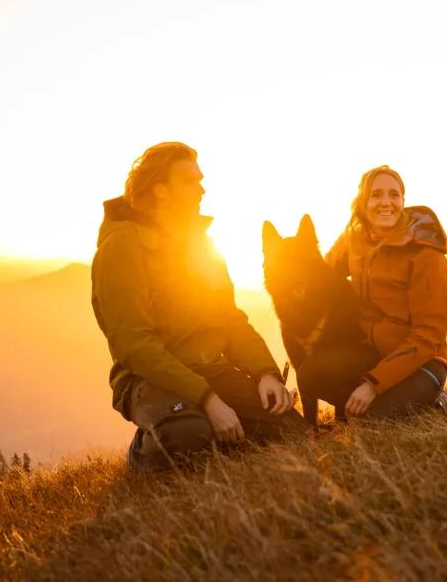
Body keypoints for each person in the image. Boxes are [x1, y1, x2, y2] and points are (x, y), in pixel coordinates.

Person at [91, 142, 306, 471]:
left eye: (201, 179)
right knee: (188, 437)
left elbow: (231, 319)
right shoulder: (121, 247)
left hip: (211, 371)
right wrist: (209, 399)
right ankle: (144, 450)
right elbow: (134, 345)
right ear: (160, 189)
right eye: (190, 182)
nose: (202, 189)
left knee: (292, 431)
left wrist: (266, 373)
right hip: (147, 381)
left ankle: (218, 434)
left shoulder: (202, 243)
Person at [297, 165, 447, 420]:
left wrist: (372, 385)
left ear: (403, 201)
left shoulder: (426, 255)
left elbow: (428, 337)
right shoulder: (354, 238)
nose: (386, 202)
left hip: (423, 363)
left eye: (394, 195)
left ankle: (435, 403)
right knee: (310, 376)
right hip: (374, 352)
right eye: (376, 195)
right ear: (363, 201)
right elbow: (324, 276)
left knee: (368, 421)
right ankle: (392, 403)